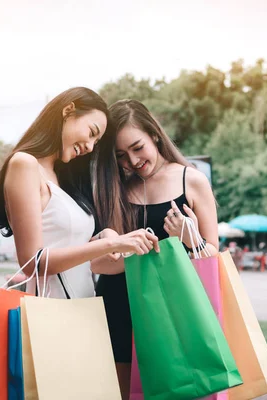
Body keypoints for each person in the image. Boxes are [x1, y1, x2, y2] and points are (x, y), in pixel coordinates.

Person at [91, 99, 219, 398]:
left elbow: (213, 255)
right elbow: (98, 263)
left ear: (155, 136)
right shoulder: (116, 189)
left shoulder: (193, 180)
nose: (132, 161)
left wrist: (191, 240)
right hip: (119, 305)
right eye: (121, 155)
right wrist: (133, 251)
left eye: (138, 147)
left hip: (174, 306)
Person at [0, 87, 159, 300]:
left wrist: (103, 236)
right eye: (92, 133)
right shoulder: (25, 165)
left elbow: (67, 245)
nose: (90, 146)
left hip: (84, 308)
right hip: (52, 313)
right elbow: (33, 262)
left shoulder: (64, 178)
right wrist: (110, 244)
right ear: (68, 111)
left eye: (96, 142)